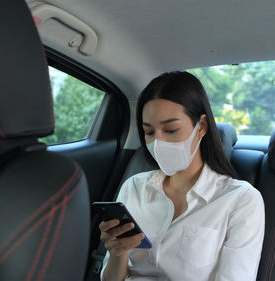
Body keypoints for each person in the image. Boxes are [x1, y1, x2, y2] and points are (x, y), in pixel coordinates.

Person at [99, 71, 265, 281]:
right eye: (149, 132)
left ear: (201, 127)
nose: (158, 143)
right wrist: (118, 253)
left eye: (170, 130)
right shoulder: (133, 188)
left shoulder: (240, 200)